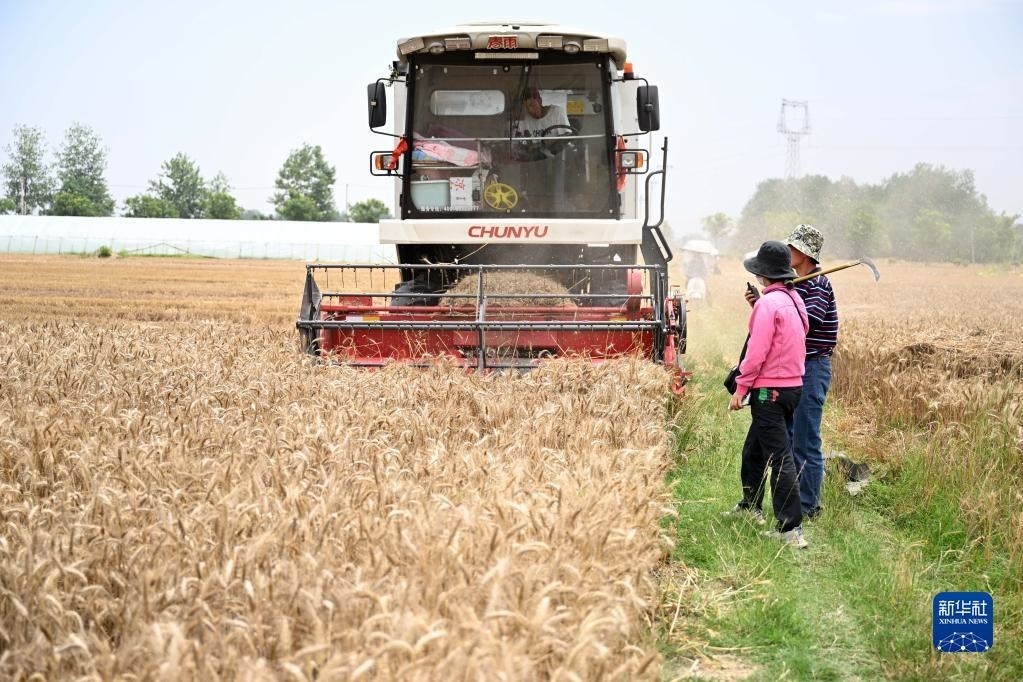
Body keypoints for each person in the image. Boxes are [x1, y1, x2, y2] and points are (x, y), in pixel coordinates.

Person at [726, 240, 810, 549]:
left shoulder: (767, 305)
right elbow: (797, 334)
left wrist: (741, 388)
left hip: (769, 392)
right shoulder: (794, 300)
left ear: (763, 274)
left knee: (780, 458)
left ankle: (790, 528)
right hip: (792, 388)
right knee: (754, 450)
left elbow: (756, 352)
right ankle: (751, 506)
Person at [784, 224, 837, 518]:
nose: (787, 252)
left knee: (807, 440)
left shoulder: (817, 285)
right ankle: (798, 499)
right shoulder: (799, 283)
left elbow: (808, 321)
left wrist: (782, 302)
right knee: (793, 437)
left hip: (813, 367)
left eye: (792, 248)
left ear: (804, 253)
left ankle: (809, 506)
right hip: (797, 366)